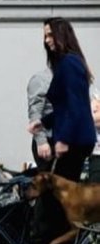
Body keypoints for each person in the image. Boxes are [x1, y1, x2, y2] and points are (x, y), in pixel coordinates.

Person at [32, 18, 95, 182]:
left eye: (50, 35)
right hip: (77, 139)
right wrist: (44, 122)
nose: (47, 41)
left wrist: (64, 139)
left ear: (62, 35)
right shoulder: (71, 62)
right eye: (45, 36)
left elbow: (75, 106)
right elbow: (67, 106)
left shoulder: (68, 63)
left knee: (60, 190)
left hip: (74, 140)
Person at [26, 67, 54, 168]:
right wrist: (41, 141)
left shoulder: (72, 78)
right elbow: (35, 112)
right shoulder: (41, 79)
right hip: (49, 140)